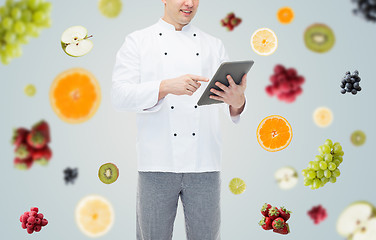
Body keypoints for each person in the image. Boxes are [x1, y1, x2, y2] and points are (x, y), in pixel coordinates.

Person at [111, 0, 247, 239]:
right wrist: (165, 87)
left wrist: (238, 102)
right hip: (156, 164)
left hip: (205, 163)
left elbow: (232, 108)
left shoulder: (214, 45)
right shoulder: (138, 41)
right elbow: (120, 96)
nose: (189, 3)